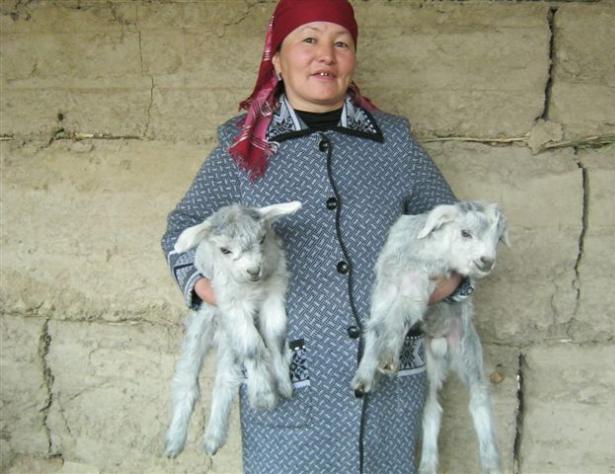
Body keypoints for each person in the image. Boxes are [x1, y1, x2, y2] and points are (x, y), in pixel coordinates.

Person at [161, 0, 471, 472]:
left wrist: (428, 290)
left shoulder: (394, 142)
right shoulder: (241, 147)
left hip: (385, 379)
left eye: (341, 43)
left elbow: (459, 232)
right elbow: (181, 230)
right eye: (309, 40)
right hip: (289, 371)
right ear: (277, 60)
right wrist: (220, 292)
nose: (326, 54)